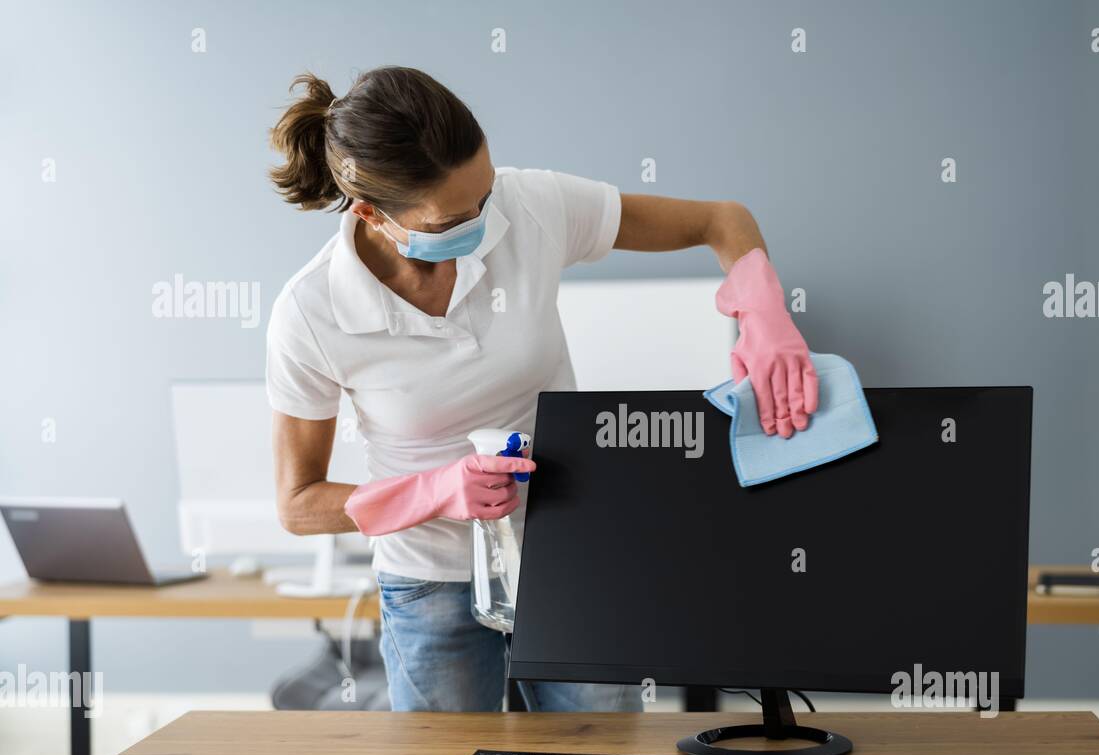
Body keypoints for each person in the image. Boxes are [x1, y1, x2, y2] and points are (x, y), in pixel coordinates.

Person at [266, 65, 817, 715]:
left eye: (486, 191)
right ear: (371, 214)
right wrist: (436, 492)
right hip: (429, 583)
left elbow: (722, 222)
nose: (486, 220)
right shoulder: (312, 311)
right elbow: (298, 505)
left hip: (571, 560)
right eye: (455, 217)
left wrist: (766, 315)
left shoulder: (528, 207)